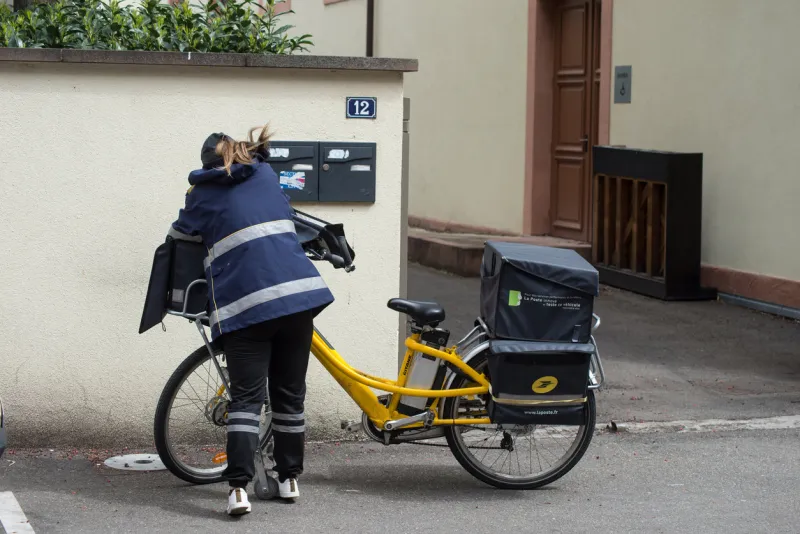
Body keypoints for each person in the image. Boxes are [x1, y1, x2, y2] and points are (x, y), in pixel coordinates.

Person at [167, 126, 334, 516]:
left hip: (246, 310)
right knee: (290, 396)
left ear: (207, 163)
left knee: (246, 401)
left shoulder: (203, 194)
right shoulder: (265, 174)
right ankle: (289, 479)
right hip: (297, 301)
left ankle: (238, 489)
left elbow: (179, 234)